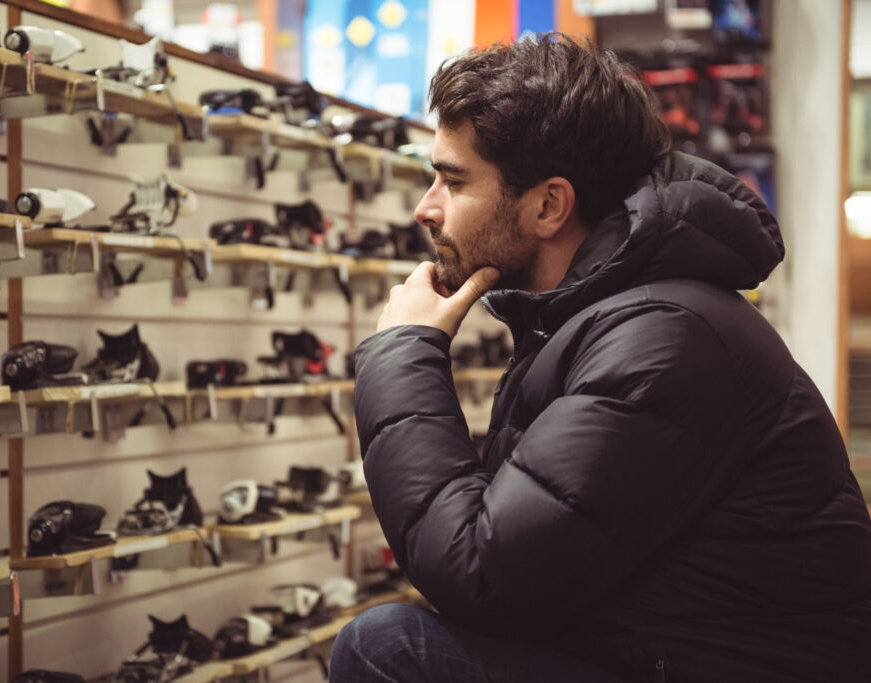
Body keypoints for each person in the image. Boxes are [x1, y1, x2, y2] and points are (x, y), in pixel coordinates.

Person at [331, 34, 871, 683]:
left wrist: (400, 353)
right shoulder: (595, 319)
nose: (426, 207)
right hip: (653, 654)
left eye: (453, 180)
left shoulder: (664, 338)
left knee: (387, 648)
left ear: (549, 205)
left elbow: (480, 570)